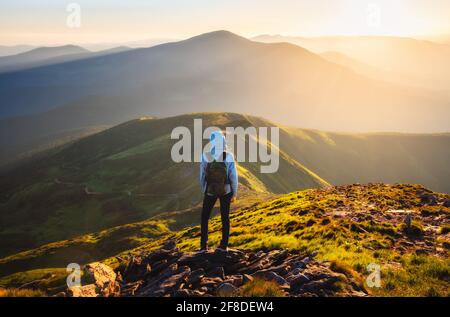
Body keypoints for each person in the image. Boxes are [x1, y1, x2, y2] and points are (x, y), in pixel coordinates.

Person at [199, 130, 238, 252]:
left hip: (210, 190)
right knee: (225, 217)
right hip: (226, 190)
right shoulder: (229, 156)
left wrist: (204, 189)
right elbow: (233, 176)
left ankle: (203, 245)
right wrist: (234, 193)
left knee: (205, 216)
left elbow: (201, 175)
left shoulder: (206, 155)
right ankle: (224, 245)